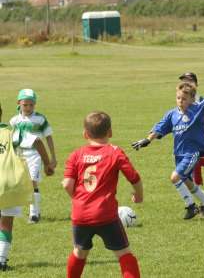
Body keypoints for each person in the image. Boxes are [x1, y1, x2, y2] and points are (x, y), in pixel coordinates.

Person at [132, 73, 204, 220]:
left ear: (192, 99)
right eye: (178, 98)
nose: (180, 101)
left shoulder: (196, 109)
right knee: (187, 182)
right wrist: (148, 139)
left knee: (175, 177)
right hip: (179, 154)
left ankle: (191, 206)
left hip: (192, 152)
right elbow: (160, 127)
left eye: (184, 99)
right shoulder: (172, 114)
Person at [63, 111, 143, 278]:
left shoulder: (76, 154)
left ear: (85, 134)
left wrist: (79, 200)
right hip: (105, 215)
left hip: (81, 215)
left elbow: (67, 185)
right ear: (110, 132)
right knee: (124, 253)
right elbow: (133, 177)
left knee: (79, 252)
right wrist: (139, 194)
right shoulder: (114, 151)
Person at [0, 102, 54, 271]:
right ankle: (1, 260)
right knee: (5, 223)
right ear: (1, 113)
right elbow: (37, 140)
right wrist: (47, 164)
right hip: (9, 184)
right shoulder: (12, 132)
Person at [9, 89, 57, 224]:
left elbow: (48, 137)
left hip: (35, 154)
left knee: (31, 182)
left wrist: (53, 157)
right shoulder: (14, 121)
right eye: (25, 105)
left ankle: (34, 214)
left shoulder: (40, 119)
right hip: (19, 154)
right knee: (21, 183)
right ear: (19, 103)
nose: (28, 107)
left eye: (31, 104)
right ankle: (26, 210)